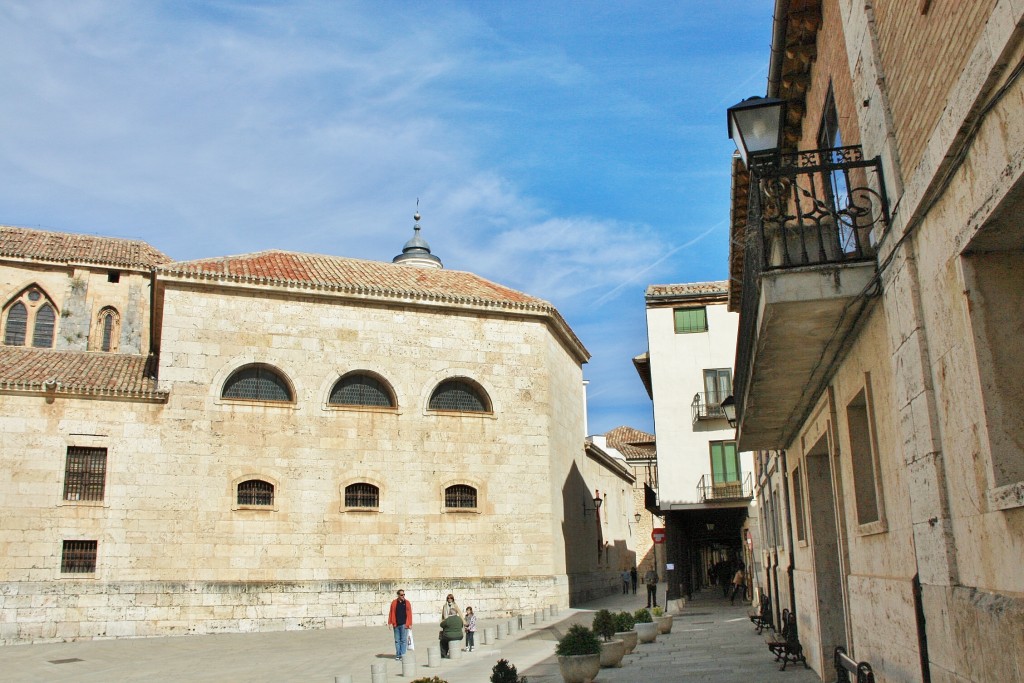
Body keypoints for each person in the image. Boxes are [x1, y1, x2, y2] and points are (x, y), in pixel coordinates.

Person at [387, 589, 413, 661]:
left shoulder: (407, 603)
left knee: (403, 640)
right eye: (401, 595)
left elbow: (409, 614)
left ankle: (403, 655)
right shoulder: (394, 603)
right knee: (397, 641)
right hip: (396, 624)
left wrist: (410, 624)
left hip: (404, 624)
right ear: (398, 595)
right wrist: (390, 623)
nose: (403, 596)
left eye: (404, 594)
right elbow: (391, 613)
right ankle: (398, 654)